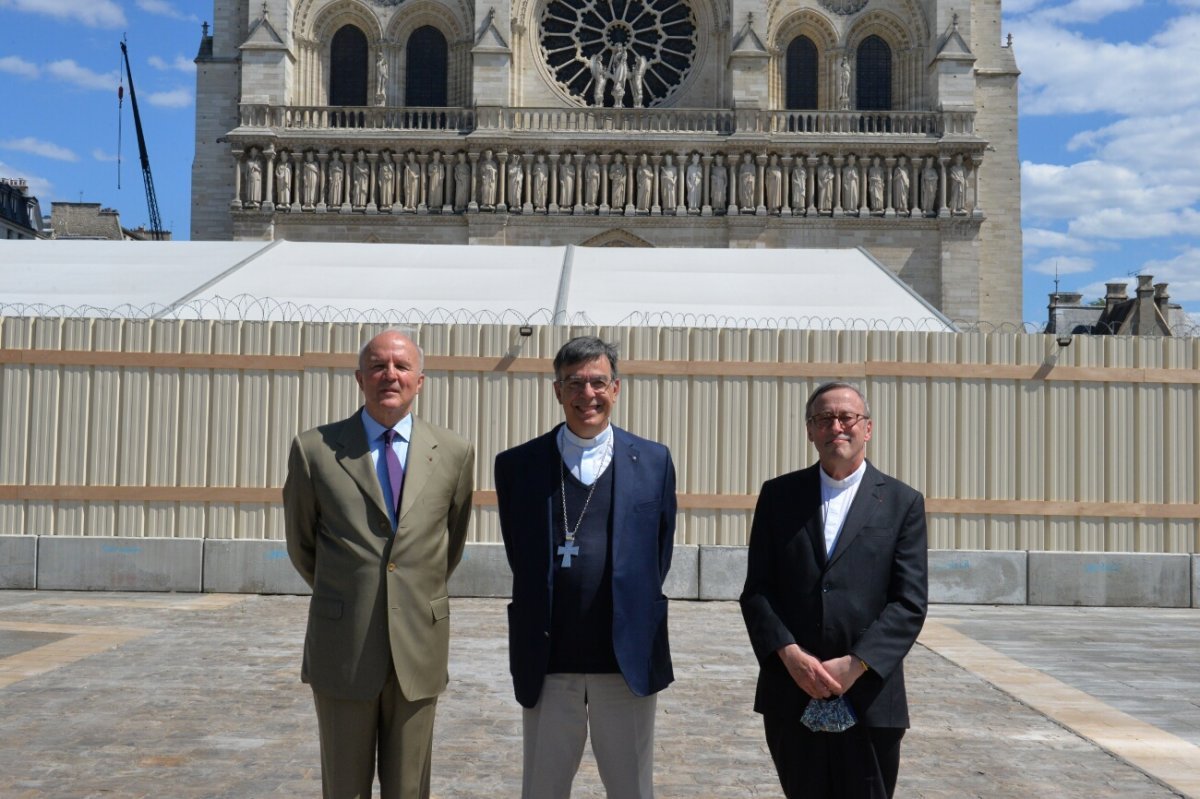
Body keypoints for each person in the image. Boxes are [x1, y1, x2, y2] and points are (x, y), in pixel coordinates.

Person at [284, 329, 476, 799]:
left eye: (401, 366)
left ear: (420, 380)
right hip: (343, 647)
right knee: (344, 786)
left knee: (409, 788)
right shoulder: (316, 450)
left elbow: (447, 547)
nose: (390, 374)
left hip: (418, 646)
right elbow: (302, 544)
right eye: (378, 365)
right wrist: (353, 591)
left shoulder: (453, 452)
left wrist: (406, 592)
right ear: (359, 377)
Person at [495, 336, 677, 799]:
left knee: (633, 789)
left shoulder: (653, 461)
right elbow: (522, 554)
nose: (587, 394)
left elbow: (659, 553)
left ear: (616, 388)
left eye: (598, 382)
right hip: (549, 662)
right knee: (543, 788)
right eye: (574, 383)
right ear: (557, 391)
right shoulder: (519, 466)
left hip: (626, 662)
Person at [740, 381, 928, 799]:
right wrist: (789, 656)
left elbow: (909, 602)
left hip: (870, 696)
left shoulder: (901, 502)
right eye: (824, 419)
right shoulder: (778, 496)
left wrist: (857, 664)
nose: (836, 426)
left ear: (868, 428)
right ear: (810, 430)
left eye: (847, 418)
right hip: (792, 691)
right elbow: (757, 591)